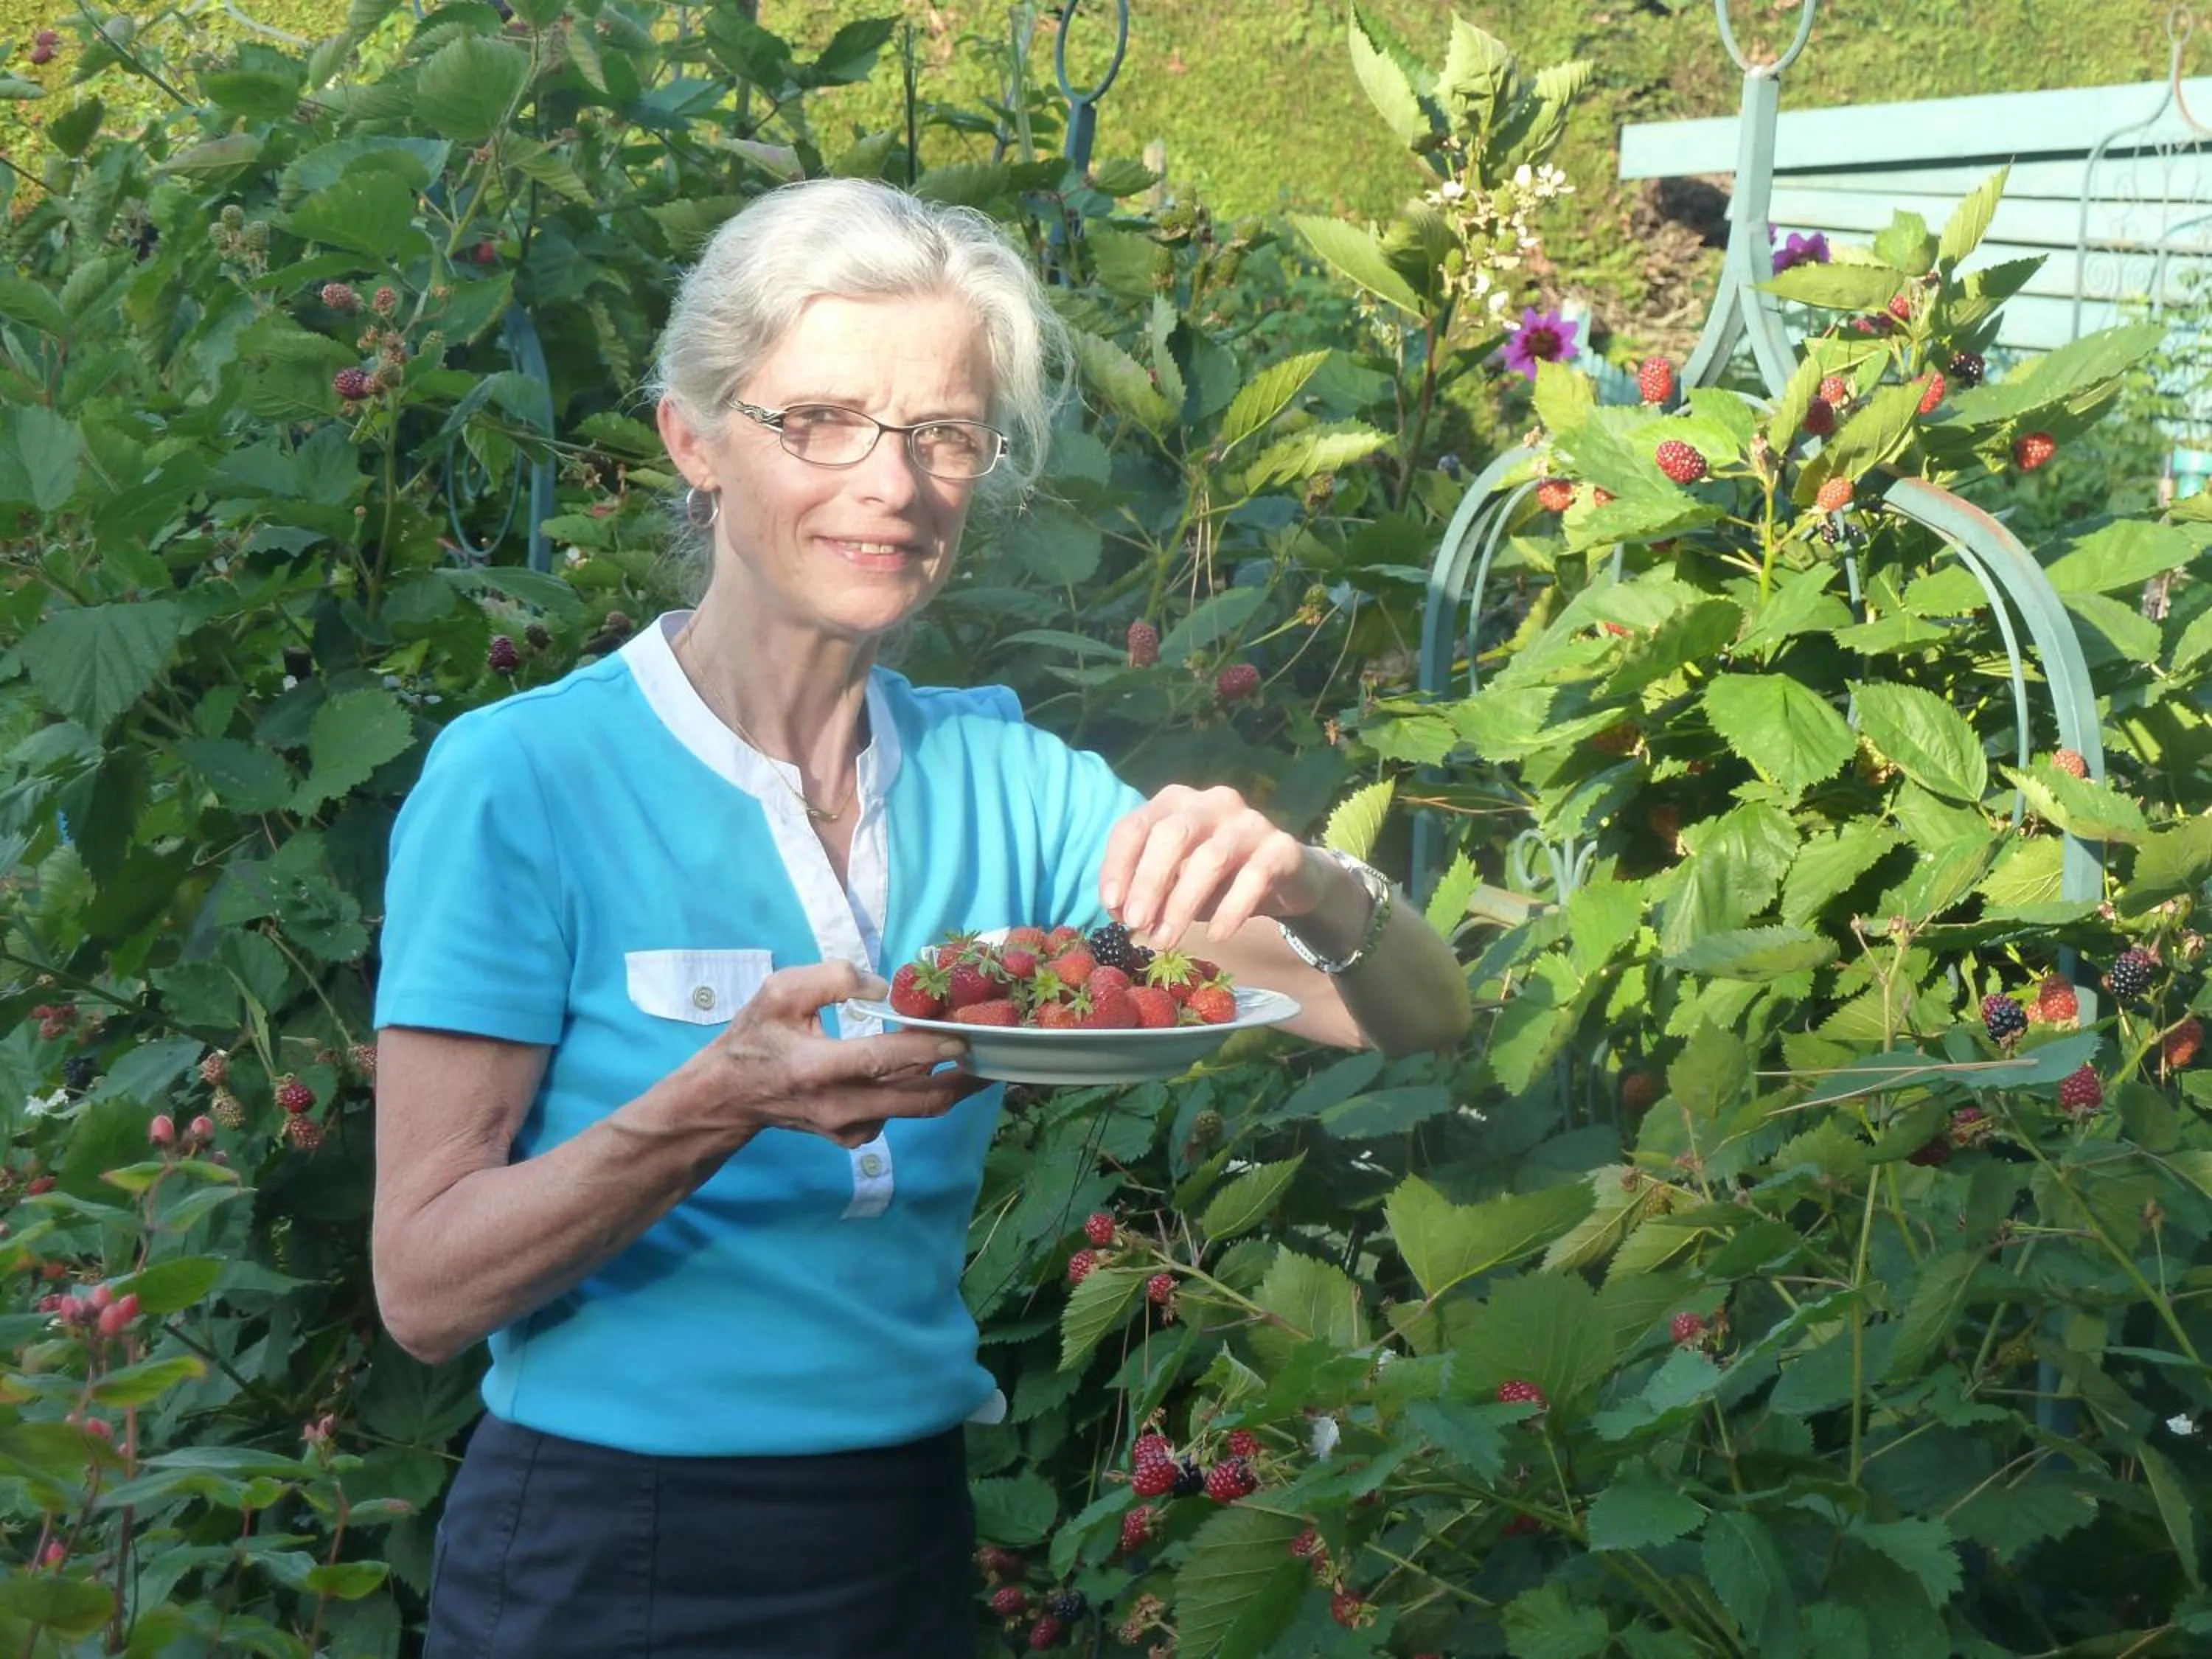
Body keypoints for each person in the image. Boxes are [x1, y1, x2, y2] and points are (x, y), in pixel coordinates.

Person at [369, 175, 1473, 1659]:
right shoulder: (524, 782)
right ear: (693, 440)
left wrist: (1316, 881)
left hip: (898, 1532)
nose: (890, 485)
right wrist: (711, 1107)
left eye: (945, 433)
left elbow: (1410, 1015)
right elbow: (425, 1288)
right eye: (818, 420)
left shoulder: (999, 777)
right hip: (606, 1548)